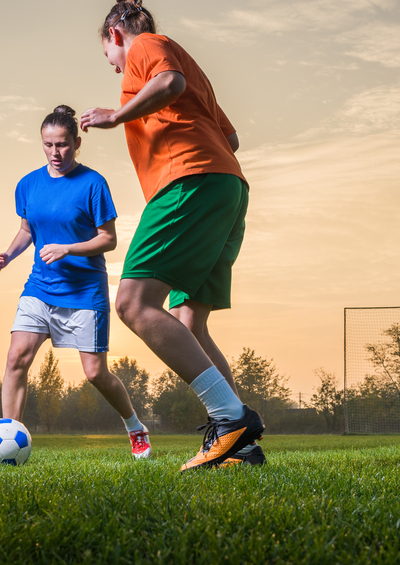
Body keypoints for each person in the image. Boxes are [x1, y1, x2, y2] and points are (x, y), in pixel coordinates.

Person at [80, 1, 265, 471]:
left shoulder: (145, 45)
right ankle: (239, 447)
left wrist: (116, 115)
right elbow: (232, 138)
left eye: (110, 57)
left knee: (133, 303)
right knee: (189, 323)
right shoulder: (190, 63)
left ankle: (230, 421)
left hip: (188, 183)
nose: (116, 67)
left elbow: (168, 83)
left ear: (115, 35)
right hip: (226, 186)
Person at [0, 105, 150, 459]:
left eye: (62, 144)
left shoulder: (93, 184)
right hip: (40, 287)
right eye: (48, 145)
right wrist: (7, 255)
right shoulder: (28, 185)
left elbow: (108, 239)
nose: (55, 153)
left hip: (84, 291)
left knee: (96, 374)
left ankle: (134, 427)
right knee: (16, 357)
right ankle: (11, 443)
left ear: (77, 143)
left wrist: (68, 249)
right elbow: (26, 230)